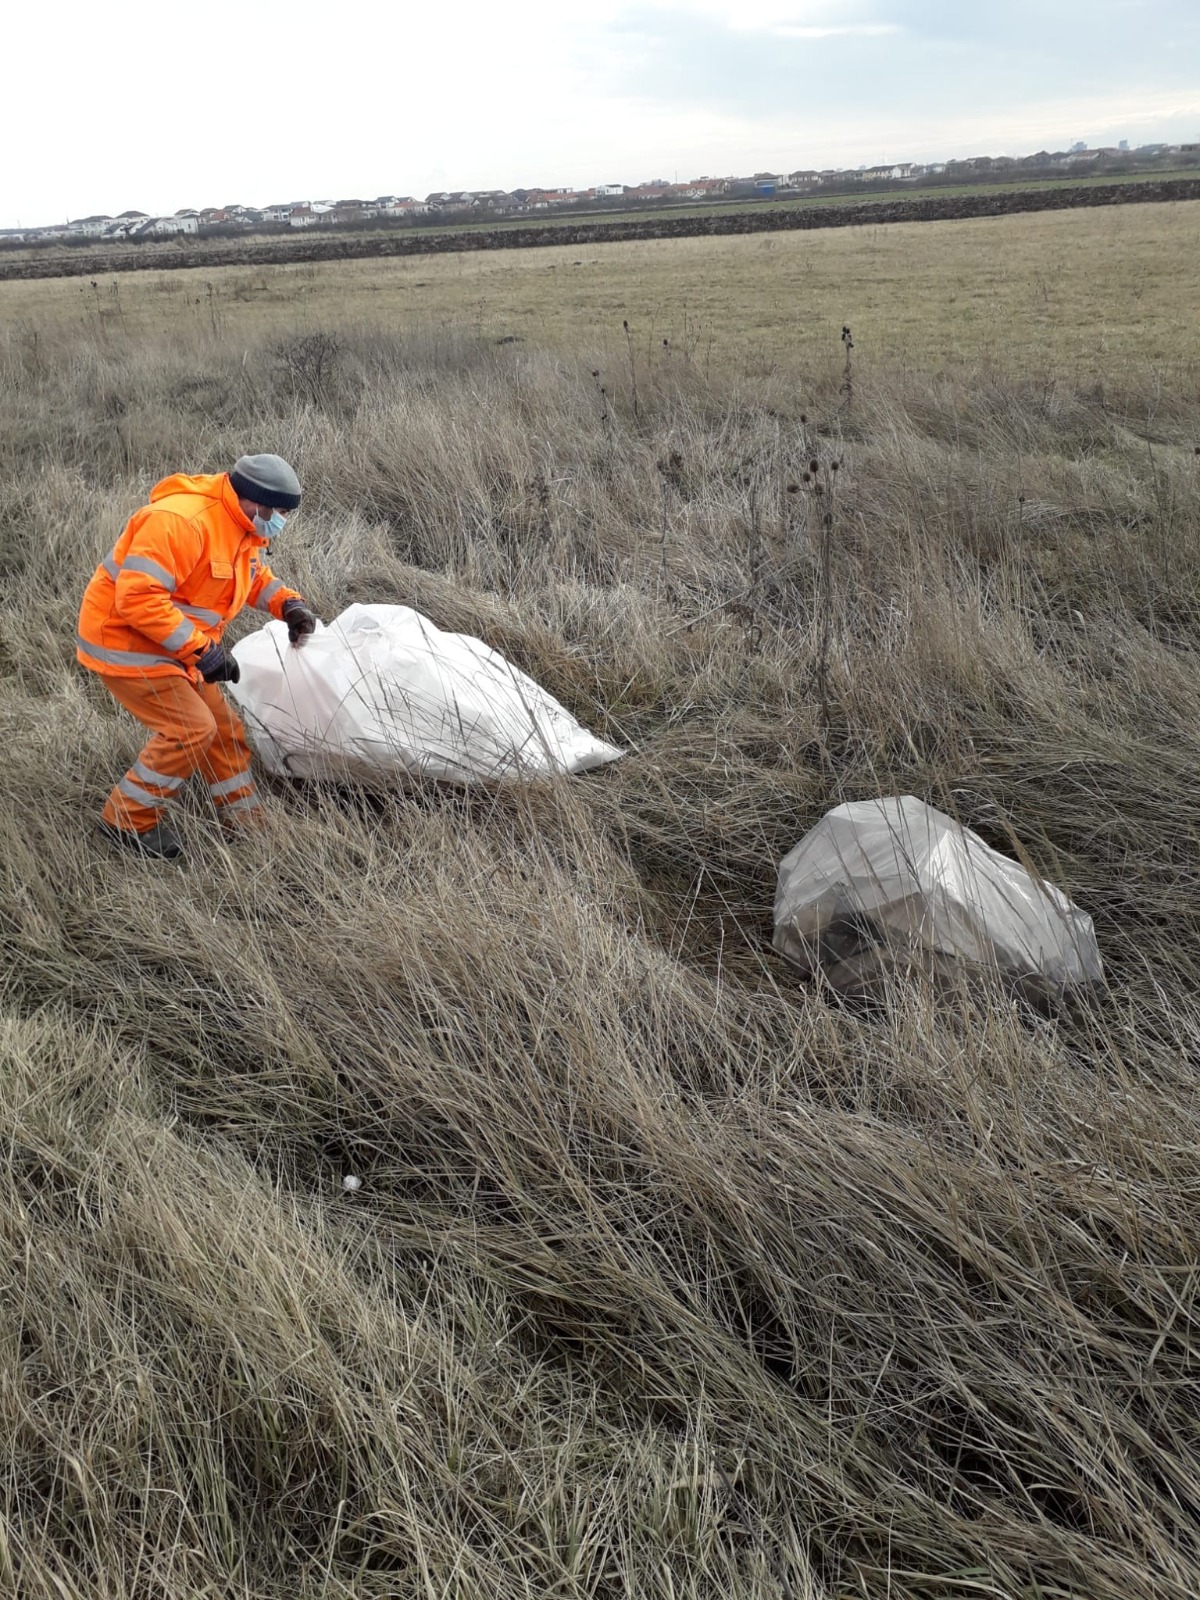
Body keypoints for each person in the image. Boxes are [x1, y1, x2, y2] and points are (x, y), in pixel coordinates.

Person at [77, 453, 318, 861]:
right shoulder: (181, 522)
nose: (280, 520)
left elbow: (252, 576)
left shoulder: (240, 525)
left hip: (173, 646)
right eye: (276, 511)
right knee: (191, 729)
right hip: (125, 642)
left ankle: (245, 821)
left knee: (223, 729)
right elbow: (137, 598)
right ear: (254, 498)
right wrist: (204, 652)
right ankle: (126, 823)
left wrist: (287, 604)